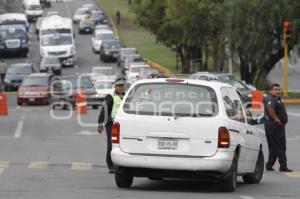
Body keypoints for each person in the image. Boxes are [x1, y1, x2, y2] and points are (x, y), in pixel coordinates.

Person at [97, 77, 126, 173]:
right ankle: (110, 165)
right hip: (111, 124)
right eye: (119, 86)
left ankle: (120, 164)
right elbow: (104, 110)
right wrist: (100, 124)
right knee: (111, 145)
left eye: (122, 86)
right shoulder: (110, 96)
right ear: (115, 87)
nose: (121, 88)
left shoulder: (126, 96)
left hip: (123, 125)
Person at [264, 83, 293, 172]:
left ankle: (269, 165)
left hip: (273, 125)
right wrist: (277, 119)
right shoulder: (271, 99)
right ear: (271, 91)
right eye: (275, 90)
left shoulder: (276, 99)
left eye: (278, 89)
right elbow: (270, 109)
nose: (277, 91)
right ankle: (283, 166)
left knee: (273, 147)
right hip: (275, 126)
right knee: (280, 146)